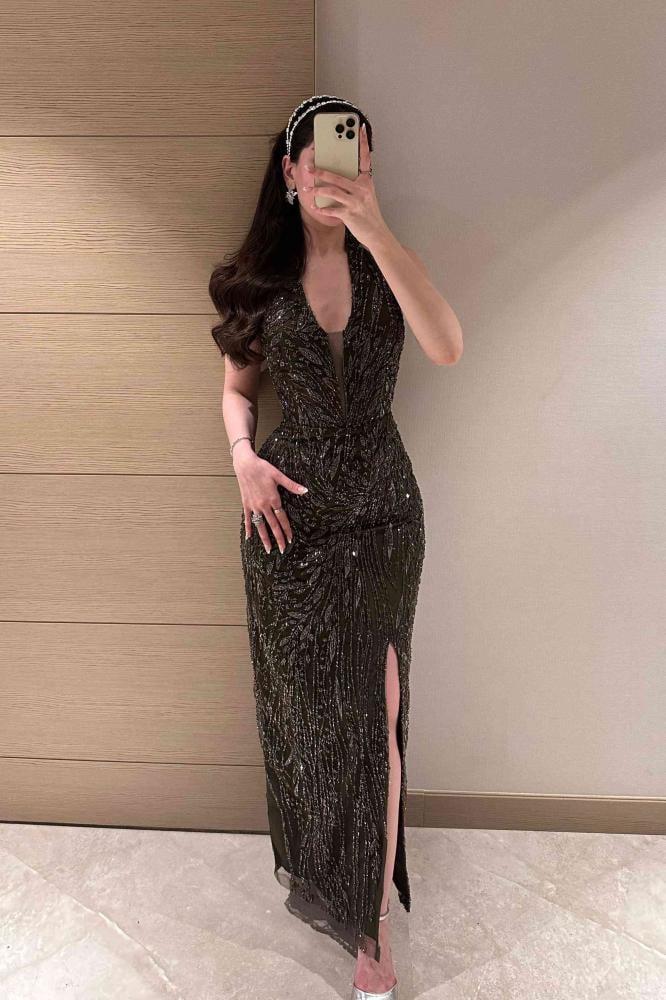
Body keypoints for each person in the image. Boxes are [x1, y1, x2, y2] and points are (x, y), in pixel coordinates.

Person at [209, 94, 462, 999]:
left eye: (354, 157)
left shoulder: (386, 260)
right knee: (314, 722)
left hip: (386, 512)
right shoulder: (257, 279)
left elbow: (447, 346)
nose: (334, 172)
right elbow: (237, 389)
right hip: (292, 521)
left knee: (379, 710)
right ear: (288, 171)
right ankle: (332, 870)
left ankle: (372, 927)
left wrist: (377, 230)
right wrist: (243, 458)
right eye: (317, 158)